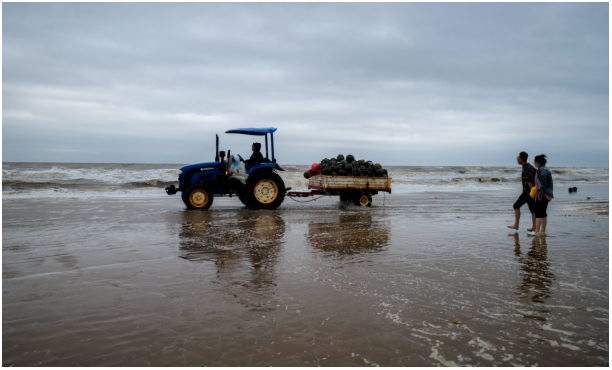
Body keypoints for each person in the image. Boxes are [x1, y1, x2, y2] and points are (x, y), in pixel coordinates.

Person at [508, 151, 536, 231]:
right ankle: (533, 227)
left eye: (517, 159)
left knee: (517, 206)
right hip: (527, 192)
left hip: (528, 192)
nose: (517, 160)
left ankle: (517, 225)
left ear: (521, 159)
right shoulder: (525, 166)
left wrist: (532, 192)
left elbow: (530, 181)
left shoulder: (529, 167)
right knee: (532, 210)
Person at [529, 154, 553, 236]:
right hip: (546, 194)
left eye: (534, 162)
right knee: (543, 213)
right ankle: (542, 231)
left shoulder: (541, 170)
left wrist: (540, 195)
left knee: (538, 213)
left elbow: (542, 185)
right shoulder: (545, 169)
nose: (534, 163)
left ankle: (536, 231)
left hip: (543, 195)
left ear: (537, 162)